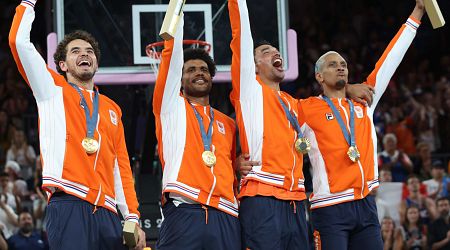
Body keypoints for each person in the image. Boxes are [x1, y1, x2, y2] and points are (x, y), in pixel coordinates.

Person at [228, 0, 373, 249]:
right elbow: (241, 33)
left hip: (296, 201)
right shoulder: (250, 91)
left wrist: (347, 87)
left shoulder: (295, 104)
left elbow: (327, 102)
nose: (275, 53)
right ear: (253, 67)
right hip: (262, 198)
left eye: (276, 50)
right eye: (265, 52)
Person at [9, 1, 145, 249]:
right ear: (62, 65)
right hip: (69, 202)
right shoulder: (51, 90)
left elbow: (120, 167)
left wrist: (132, 216)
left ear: (96, 62)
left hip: (108, 212)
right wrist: (29, 3)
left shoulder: (112, 109)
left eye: (90, 51)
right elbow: (18, 42)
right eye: (75, 51)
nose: (85, 53)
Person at [297, 1, 425, 249]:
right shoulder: (305, 108)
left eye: (344, 64)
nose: (341, 67)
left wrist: (417, 12)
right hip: (330, 208)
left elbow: (390, 60)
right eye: (333, 65)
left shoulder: (364, 101)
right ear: (319, 76)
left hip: (366, 203)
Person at [153, 16, 240, 250]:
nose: (198, 73)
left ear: (212, 77)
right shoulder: (171, 106)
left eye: (203, 69)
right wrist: (176, 17)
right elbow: (170, 63)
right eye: (190, 69)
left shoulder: (228, 123)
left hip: (225, 213)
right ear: (180, 79)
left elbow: (228, 166)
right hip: (185, 207)